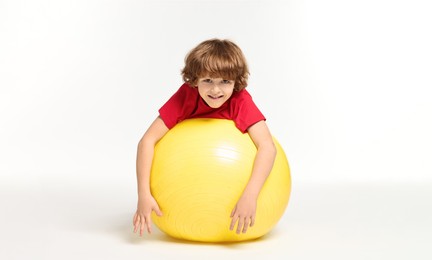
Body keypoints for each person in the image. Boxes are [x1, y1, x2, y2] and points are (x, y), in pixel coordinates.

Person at [133, 38, 276, 236]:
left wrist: (250, 196)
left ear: (236, 83)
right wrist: (143, 194)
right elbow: (147, 141)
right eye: (207, 80)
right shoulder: (187, 96)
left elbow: (267, 147)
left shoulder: (239, 99)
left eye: (225, 82)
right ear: (194, 80)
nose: (215, 90)